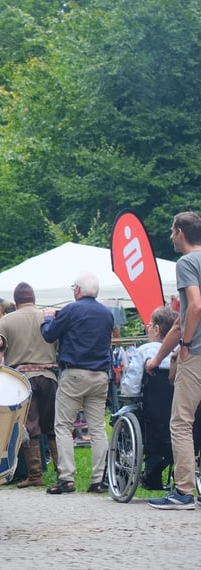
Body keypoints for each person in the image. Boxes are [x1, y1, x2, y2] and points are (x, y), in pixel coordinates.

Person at [40, 271, 114, 495]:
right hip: (100, 375)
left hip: (75, 373)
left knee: (63, 425)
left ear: (78, 290)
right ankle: (99, 479)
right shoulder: (107, 314)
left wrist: (48, 318)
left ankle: (66, 478)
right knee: (98, 428)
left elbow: (49, 335)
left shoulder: (71, 310)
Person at [147, 211, 201, 510]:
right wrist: (159, 356)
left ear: (180, 232)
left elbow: (194, 308)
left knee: (181, 422)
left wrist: (183, 346)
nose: (170, 236)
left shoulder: (187, 263)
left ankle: (183, 492)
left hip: (197, 353)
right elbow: (179, 321)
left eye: (171, 231)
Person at [0, 282, 57, 488]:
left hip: (21, 380)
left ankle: (35, 475)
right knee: (54, 426)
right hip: (48, 375)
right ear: (33, 298)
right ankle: (63, 472)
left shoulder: (6, 321)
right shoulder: (48, 317)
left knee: (30, 426)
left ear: (15, 300)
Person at [121, 305, 177, 489]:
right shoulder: (183, 352)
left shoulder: (145, 351)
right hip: (180, 414)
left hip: (152, 416)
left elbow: (130, 389)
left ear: (156, 329)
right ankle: (155, 475)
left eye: (149, 324)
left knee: (128, 416)